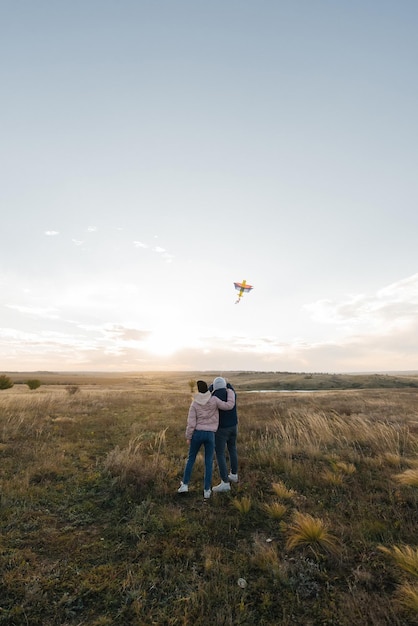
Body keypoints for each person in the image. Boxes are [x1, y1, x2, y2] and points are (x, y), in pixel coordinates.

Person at [178, 380, 235, 499]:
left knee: (191, 459)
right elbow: (228, 405)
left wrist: (189, 436)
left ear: (198, 390)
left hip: (197, 434)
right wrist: (230, 391)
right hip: (210, 434)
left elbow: (191, 423)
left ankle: (185, 485)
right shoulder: (214, 400)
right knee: (208, 462)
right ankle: (207, 490)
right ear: (208, 389)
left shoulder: (194, 403)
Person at [210, 377, 239, 493]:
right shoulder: (232, 394)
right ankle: (234, 475)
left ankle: (225, 483)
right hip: (234, 427)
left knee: (220, 454)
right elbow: (231, 389)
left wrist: (210, 388)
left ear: (215, 386)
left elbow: (203, 398)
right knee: (232, 449)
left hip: (221, 429)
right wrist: (229, 385)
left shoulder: (213, 397)